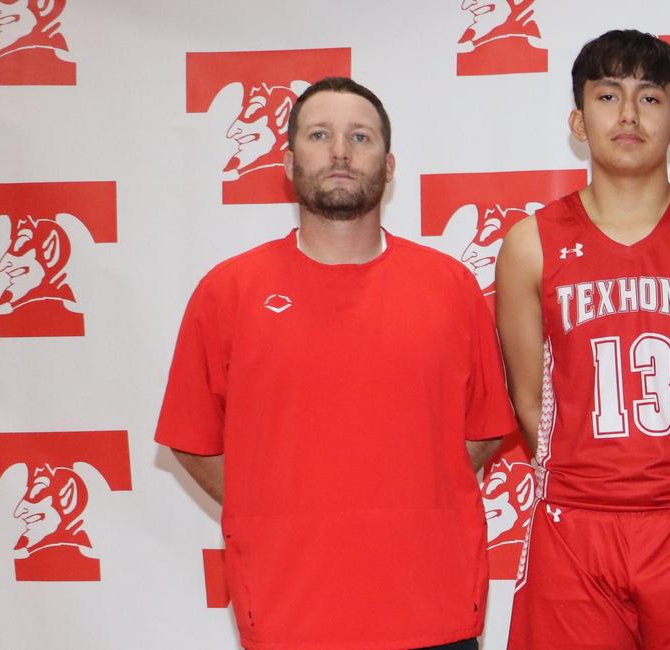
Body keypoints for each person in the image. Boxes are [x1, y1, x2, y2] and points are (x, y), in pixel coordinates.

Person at [156, 76, 512, 650]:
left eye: (360, 137)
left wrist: (408, 490)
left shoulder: (451, 285)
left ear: (389, 165)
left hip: (432, 610)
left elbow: (485, 430)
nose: (341, 151)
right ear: (288, 161)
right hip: (289, 614)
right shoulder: (228, 292)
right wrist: (280, 503)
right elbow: (193, 440)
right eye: (320, 135)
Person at [494, 29, 670, 649]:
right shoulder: (529, 244)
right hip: (575, 523)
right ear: (578, 117)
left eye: (649, 98)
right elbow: (530, 402)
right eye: (607, 94)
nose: (626, 113)